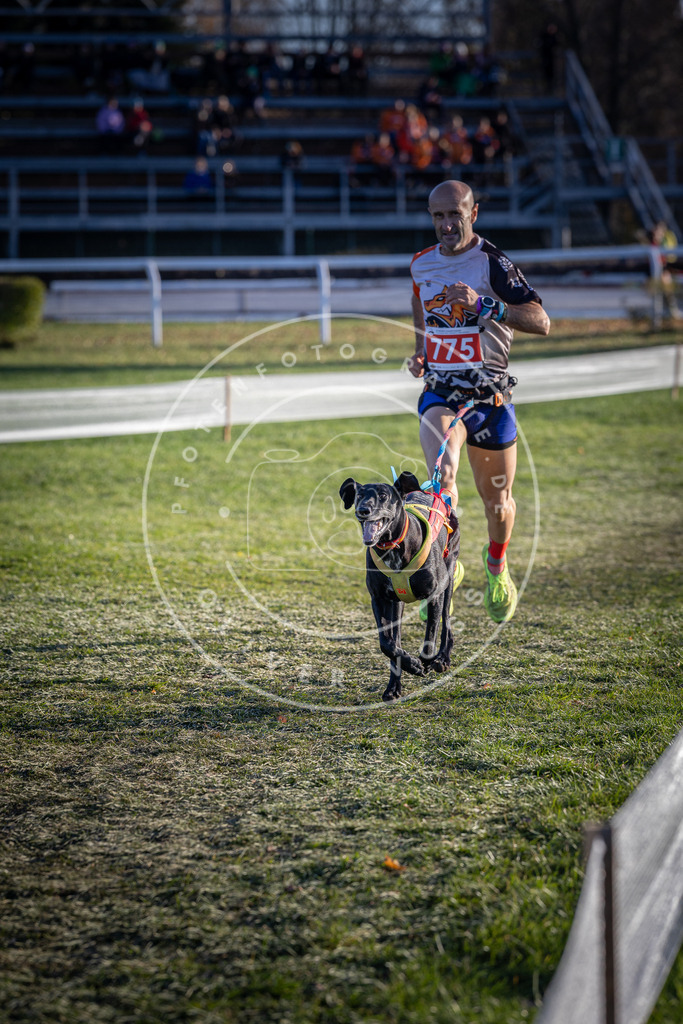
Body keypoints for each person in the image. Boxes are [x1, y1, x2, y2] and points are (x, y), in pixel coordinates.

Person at [407, 179, 550, 623]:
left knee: (498, 504)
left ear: (473, 214)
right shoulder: (420, 264)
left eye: (455, 214)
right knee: (441, 477)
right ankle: (451, 555)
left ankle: (497, 564)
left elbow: (541, 321)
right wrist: (419, 350)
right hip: (442, 392)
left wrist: (486, 306)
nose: (447, 224)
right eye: (438, 216)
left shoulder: (493, 264)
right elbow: (420, 307)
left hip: (490, 396)